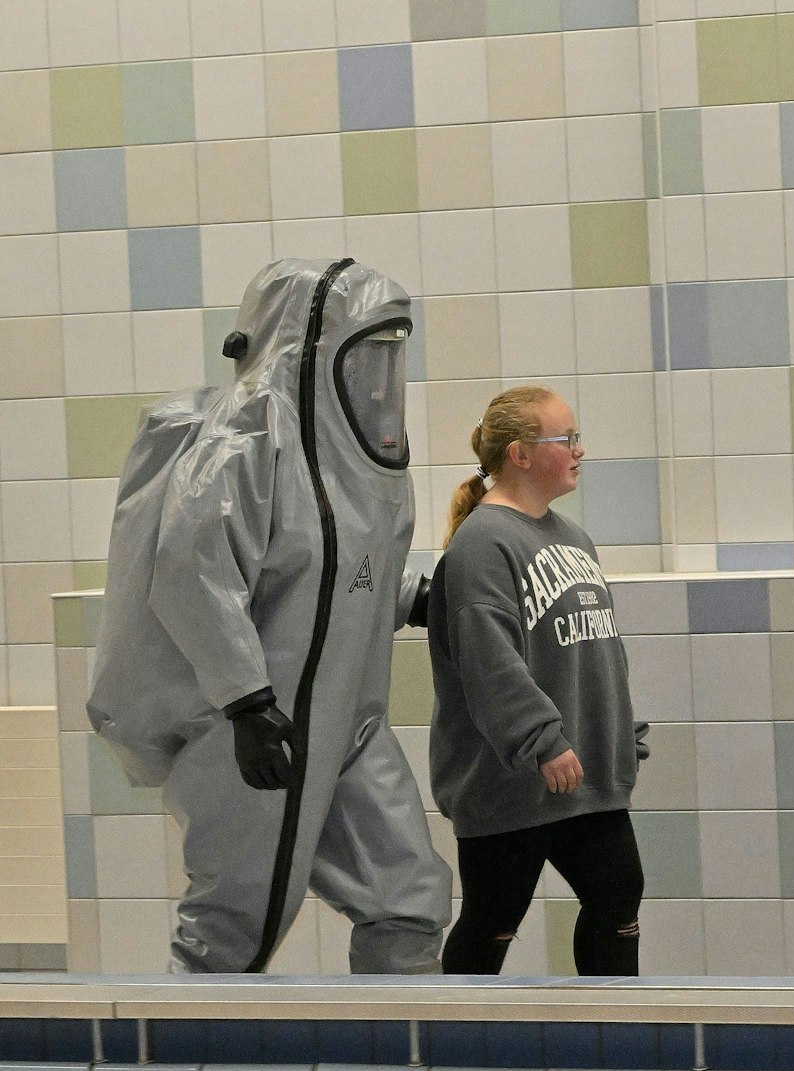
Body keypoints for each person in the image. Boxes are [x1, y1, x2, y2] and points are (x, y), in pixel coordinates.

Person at [88, 257, 451, 973]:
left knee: (406, 898)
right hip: (263, 725)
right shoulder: (245, 439)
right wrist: (247, 703)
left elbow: (344, 568)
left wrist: (420, 597)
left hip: (348, 719)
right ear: (311, 349)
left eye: (389, 353)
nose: (379, 376)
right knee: (233, 928)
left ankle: (406, 1068)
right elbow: (194, 573)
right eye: (366, 353)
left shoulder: (366, 463)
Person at [428, 387, 649, 975]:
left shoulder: (573, 538)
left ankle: (612, 1041)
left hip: (583, 771)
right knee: (494, 915)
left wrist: (618, 729)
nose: (580, 450)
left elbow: (596, 648)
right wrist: (541, 738)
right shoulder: (482, 543)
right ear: (521, 454)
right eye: (566, 438)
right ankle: (456, 1047)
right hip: (516, 777)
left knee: (617, 891)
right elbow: (488, 659)